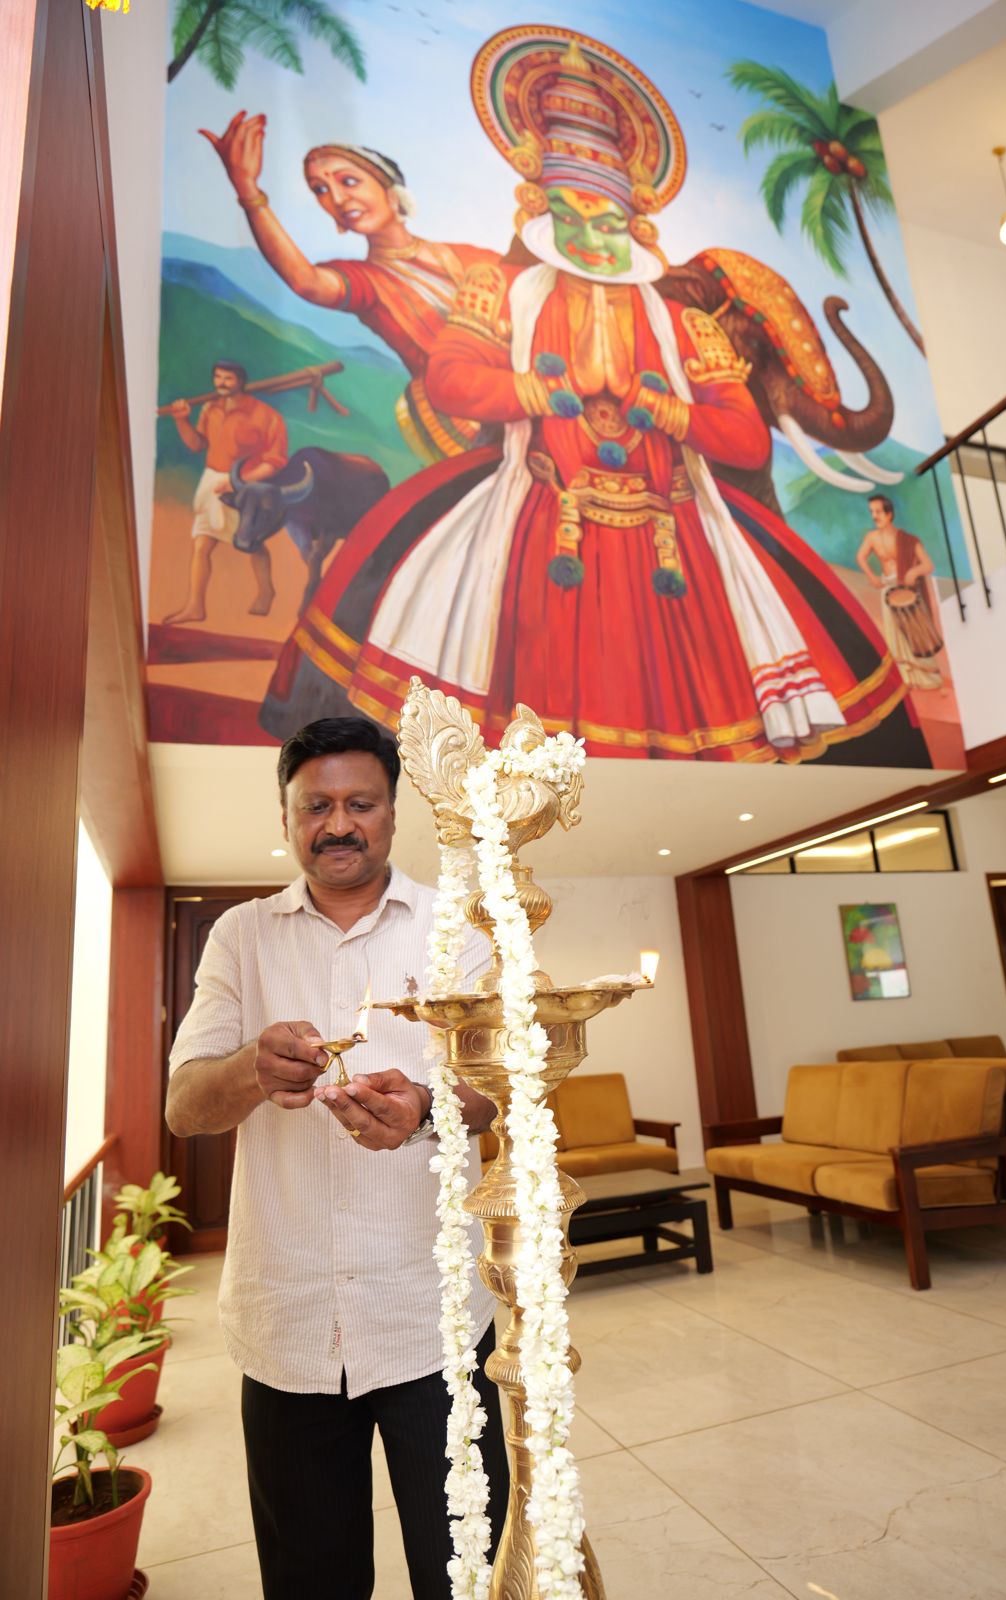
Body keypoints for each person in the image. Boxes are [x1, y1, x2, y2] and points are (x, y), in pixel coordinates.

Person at [272, 29, 929, 767]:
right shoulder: (501, 290)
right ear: (539, 204)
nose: (592, 238)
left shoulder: (681, 320)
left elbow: (745, 441)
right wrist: (543, 390)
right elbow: (450, 381)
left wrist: (673, 413)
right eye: (573, 216)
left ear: (636, 220)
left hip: (677, 534)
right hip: (536, 515)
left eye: (608, 222)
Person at [165, 714, 508, 1600]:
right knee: (309, 1579)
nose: (338, 822)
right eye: (316, 805)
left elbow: (504, 1091)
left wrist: (428, 1110)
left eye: (361, 802)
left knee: (465, 1574)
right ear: (286, 819)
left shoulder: (457, 931)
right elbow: (183, 1107)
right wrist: (248, 1067)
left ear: (394, 813)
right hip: (285, 1326)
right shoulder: (241, 936)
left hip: (429, 1321)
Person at [201, 112, 499, 463]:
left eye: (349, 181)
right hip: (470, 420)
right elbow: (306, 282)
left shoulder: (470, 257)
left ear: (391, 192)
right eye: (321, 190)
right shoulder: (365, 282)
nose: (338, 199)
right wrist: (248, 189)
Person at [164, 360, 288, 624]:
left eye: (228, 378)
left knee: (251, 543)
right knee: (202, 544)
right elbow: (197, 445)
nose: (221, 383)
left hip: (246, 488)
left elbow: (274, 461)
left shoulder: (265, 416)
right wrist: (182, 421)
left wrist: (238, 482)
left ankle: (266, 591)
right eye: (218, 377)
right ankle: (195, 606)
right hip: (211, 482)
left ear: (240, 382)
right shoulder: (210, 409)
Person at [858, 493, 947, 692]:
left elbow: (928, 565)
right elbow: (861, 557)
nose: (874, 516)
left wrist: (914, 571)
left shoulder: (907, 539)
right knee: (894, 634)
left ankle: (929, 677)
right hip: (888, 591)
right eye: (872, 512)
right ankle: (905, 679)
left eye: (878, 512)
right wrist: (872, 577)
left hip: (907, 591)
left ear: (890, 514)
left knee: (915, 632)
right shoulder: (872, 538)